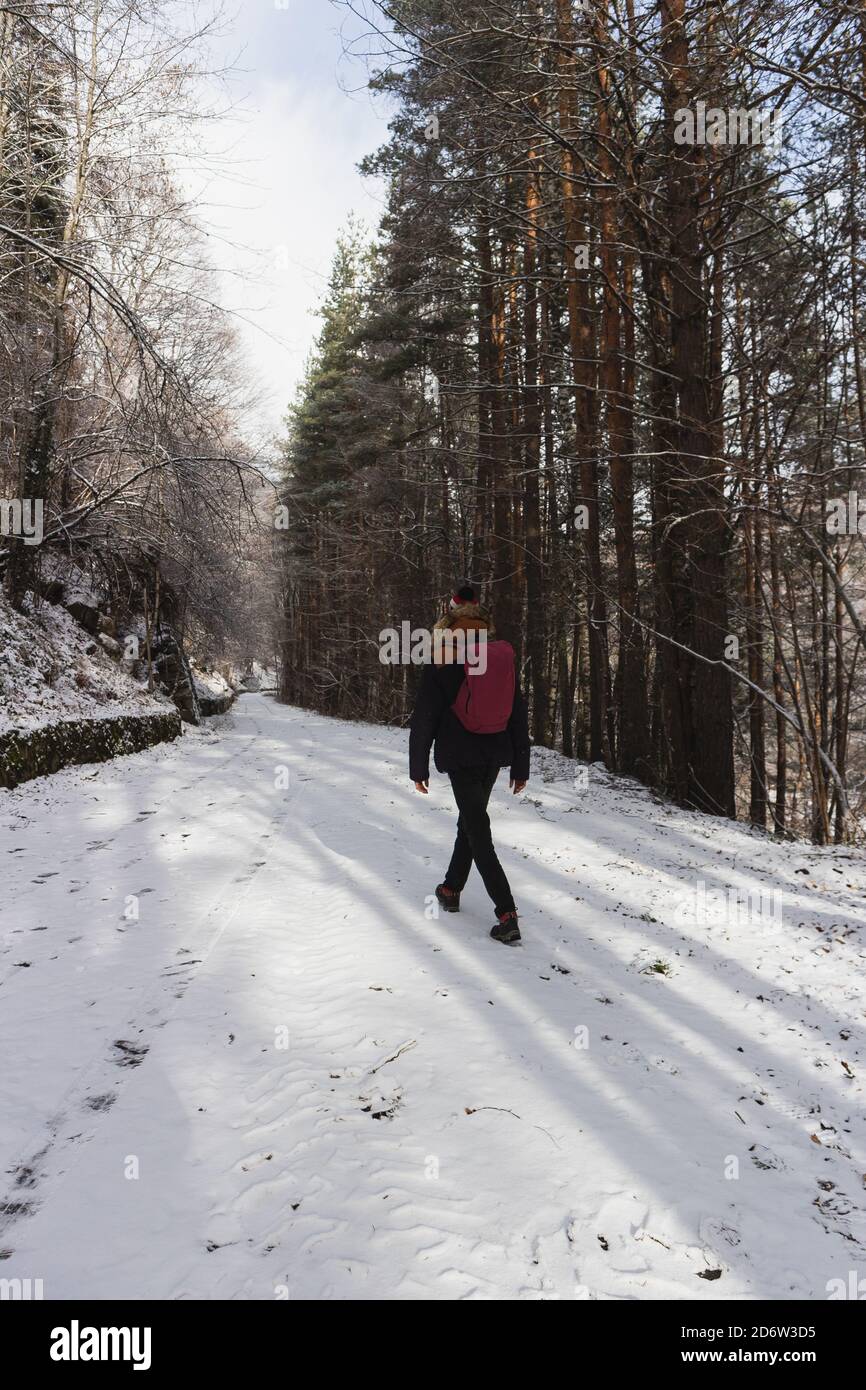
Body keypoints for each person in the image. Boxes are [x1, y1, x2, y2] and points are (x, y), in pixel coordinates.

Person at [409, 585, 530, 945]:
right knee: (471, 821)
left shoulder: (443, 657)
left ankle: (506, 913)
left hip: (461, 756)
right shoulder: (499, 655)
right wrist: (520, 764)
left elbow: (425, 717)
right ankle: (450, 889)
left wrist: (419, 767)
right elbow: (517, 711)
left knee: (478, 831)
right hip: (493, 752)